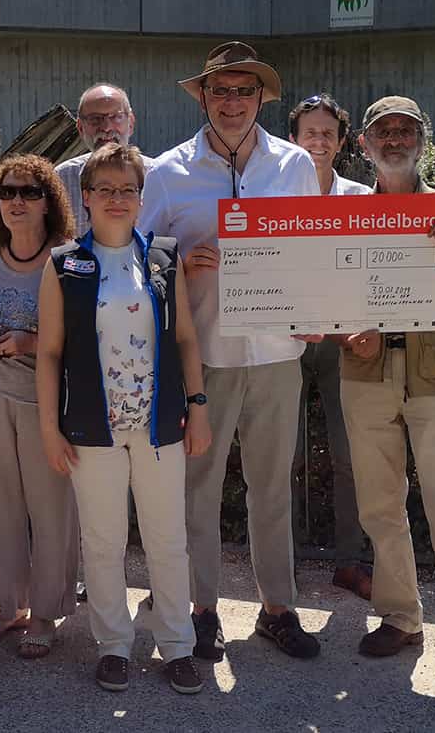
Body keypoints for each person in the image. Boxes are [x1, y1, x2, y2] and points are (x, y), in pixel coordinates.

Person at [140, 41, 323, 662]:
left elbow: (315, 251)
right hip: (206, 355)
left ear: (262, 98)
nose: (233, 101)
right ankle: (201, 610)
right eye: (221, 90)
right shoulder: (167, 171)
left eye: (245, 90)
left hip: (277, 353)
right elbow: (139, 259)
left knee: (272, 489)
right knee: (199, 489)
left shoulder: (296, 163)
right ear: (204, 97)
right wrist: (179, 264)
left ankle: (278, 608)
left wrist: (319, 311)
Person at [335, 96, 435, 703]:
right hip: (367, 372)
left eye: (406, 130)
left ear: (422, 140)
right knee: (380, 507)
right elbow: (327, 298)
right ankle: (401, 616)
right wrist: (345, 326)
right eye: (384, 131)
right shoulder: (344, 214)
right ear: (366, 145)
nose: (395, 139)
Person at [37, 142, 212, 696]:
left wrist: (198, 407)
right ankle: (113, 645)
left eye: (127, 189)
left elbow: (185, 337)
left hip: (160, 423)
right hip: (92, 426)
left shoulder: (162, 257)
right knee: (104, 540)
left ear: (141, 197)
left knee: (168, 539)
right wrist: (49, 426)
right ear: (86, 197)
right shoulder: (65, 263)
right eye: (105, 189)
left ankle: (177, 646)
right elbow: (48, 352)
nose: (117, 198)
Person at [0, 155, 79, 659]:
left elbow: (87, 333)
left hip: (44, 401)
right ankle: (11, 608)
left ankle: (47, 614)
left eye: (30, 192)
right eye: (7, 192)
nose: (17, 201)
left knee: (52, 510)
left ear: (49, 201)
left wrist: (33, 341)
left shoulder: (70, 256)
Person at [285, 94, 372, 599]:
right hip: (286, 342)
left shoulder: (360, 198)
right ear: (293, 139)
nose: (318, 141)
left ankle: (349, 561)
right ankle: (284, 560)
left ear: (341, 143)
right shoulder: (272, 194)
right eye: (309, 132)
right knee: (283, 458)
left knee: (349, 455)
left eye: (327, 133)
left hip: (343, 343)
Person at [56, 83, 154, 232]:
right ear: (80, 127)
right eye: (95, 119)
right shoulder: (61, 179)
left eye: (116, 117)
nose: (107, 127)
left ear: (131, 123)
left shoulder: (157, 176)